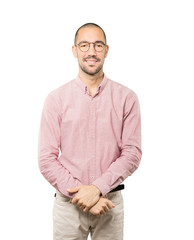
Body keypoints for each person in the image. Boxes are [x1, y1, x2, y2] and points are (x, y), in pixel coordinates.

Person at [38, 22, 142, 240]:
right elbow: (46, 159)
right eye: (84, 45)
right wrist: (86, 195)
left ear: (106, 50)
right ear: (74, 51)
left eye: (97, 45)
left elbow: (132, 154)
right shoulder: (56, 99)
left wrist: (97, 189)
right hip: (68, 207)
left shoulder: (127, 98)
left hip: (110, 204)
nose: (91, 52)